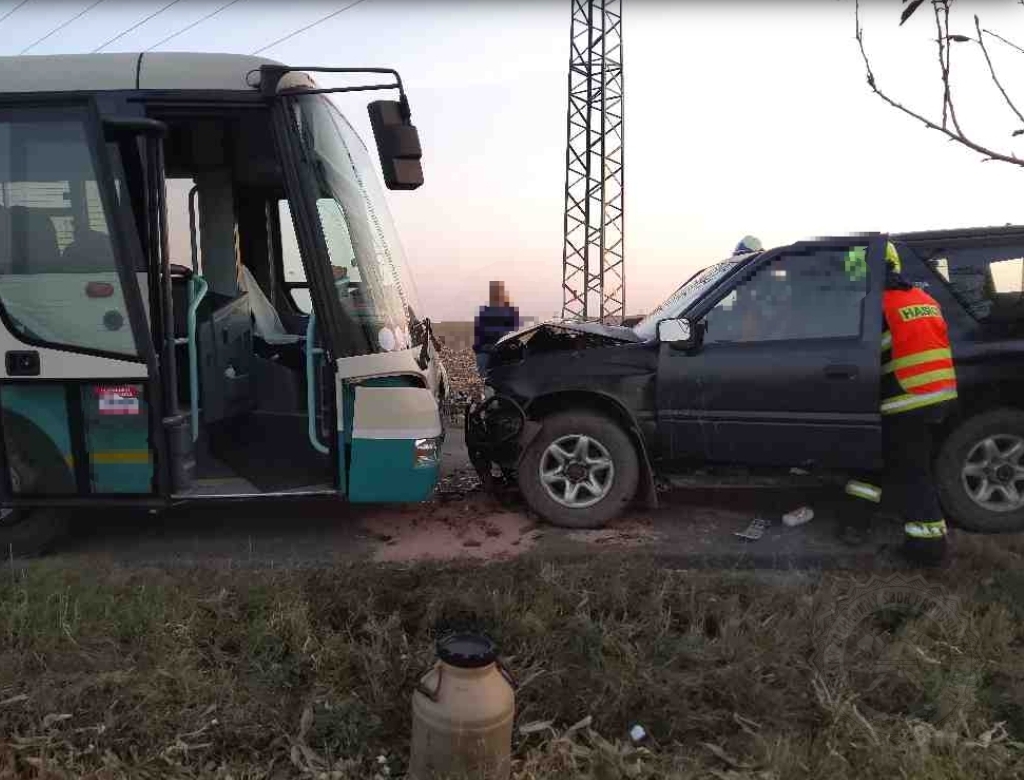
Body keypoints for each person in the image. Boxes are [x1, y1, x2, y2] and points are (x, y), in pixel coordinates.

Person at [841, 241, 957, 567]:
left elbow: (861, 357)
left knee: (911, 472)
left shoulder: (875, 306)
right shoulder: (924, 298)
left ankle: (928, 547)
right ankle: (857, 518)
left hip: (907, 399)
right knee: (888, 456)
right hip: (941, 396)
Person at [473, 281, 521, 375]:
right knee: (484, 360)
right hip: (488, 349)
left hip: (503, 348)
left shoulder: (509, 311)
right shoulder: (484, 312)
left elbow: (514, 331)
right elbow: (479, 341)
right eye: (495, 293)